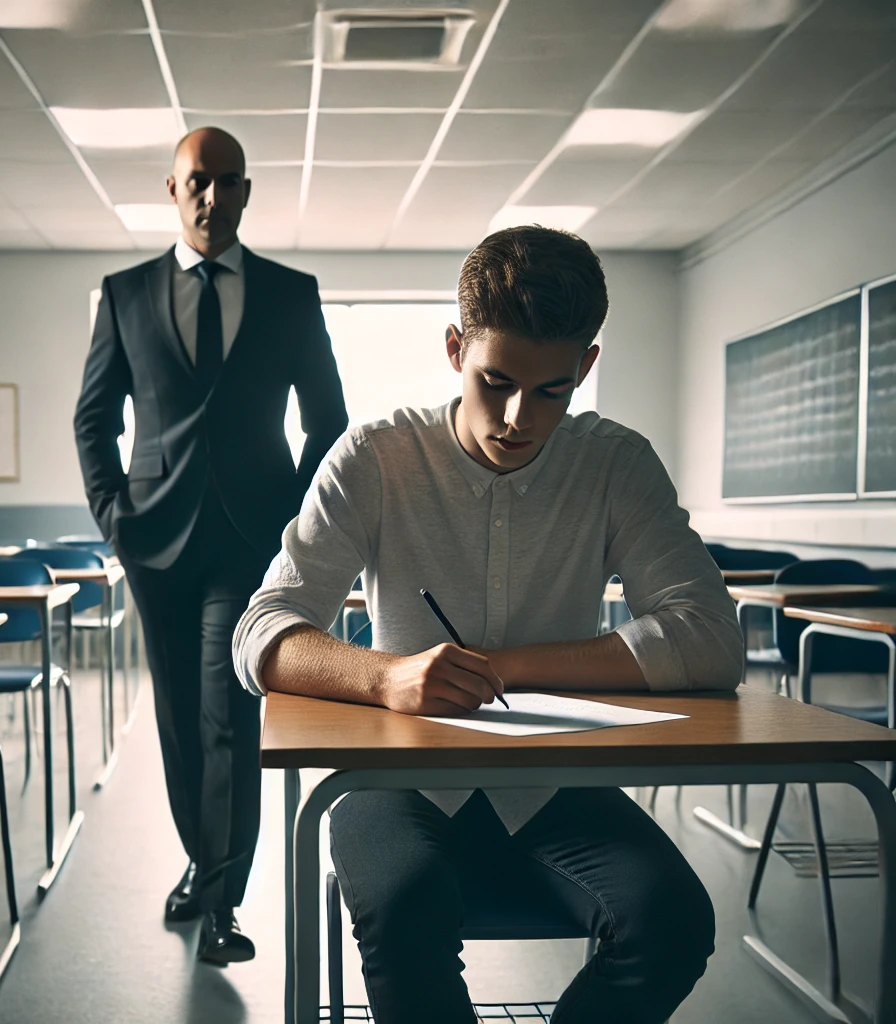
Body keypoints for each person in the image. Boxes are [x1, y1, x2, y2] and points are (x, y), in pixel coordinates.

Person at [232, 226, 743, 1022]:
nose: (516, 418)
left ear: (586, 368)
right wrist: (387, 675)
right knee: (406, 913)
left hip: (551, 779)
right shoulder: (375, 455)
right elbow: (261, 631)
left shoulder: (617, 464)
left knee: (672, 921)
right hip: (392, 779)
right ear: (454, 349)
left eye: (551, 392)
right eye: (495, 381)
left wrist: (506, 666)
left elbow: (712, 639)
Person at [74, 127, 347, 965]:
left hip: (249, 542)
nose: (213, 196)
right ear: (173, 188)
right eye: (199, 180)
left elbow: (327, 419)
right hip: (153, 541)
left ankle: (223, 901)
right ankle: (200, 860)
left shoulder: (291, 294)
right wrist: (114, 518)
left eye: (229, 182)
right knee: (179, 721)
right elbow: (94, 418)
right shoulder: (124, 294)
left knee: (229, 714)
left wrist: (292, 521)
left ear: (246, 191)